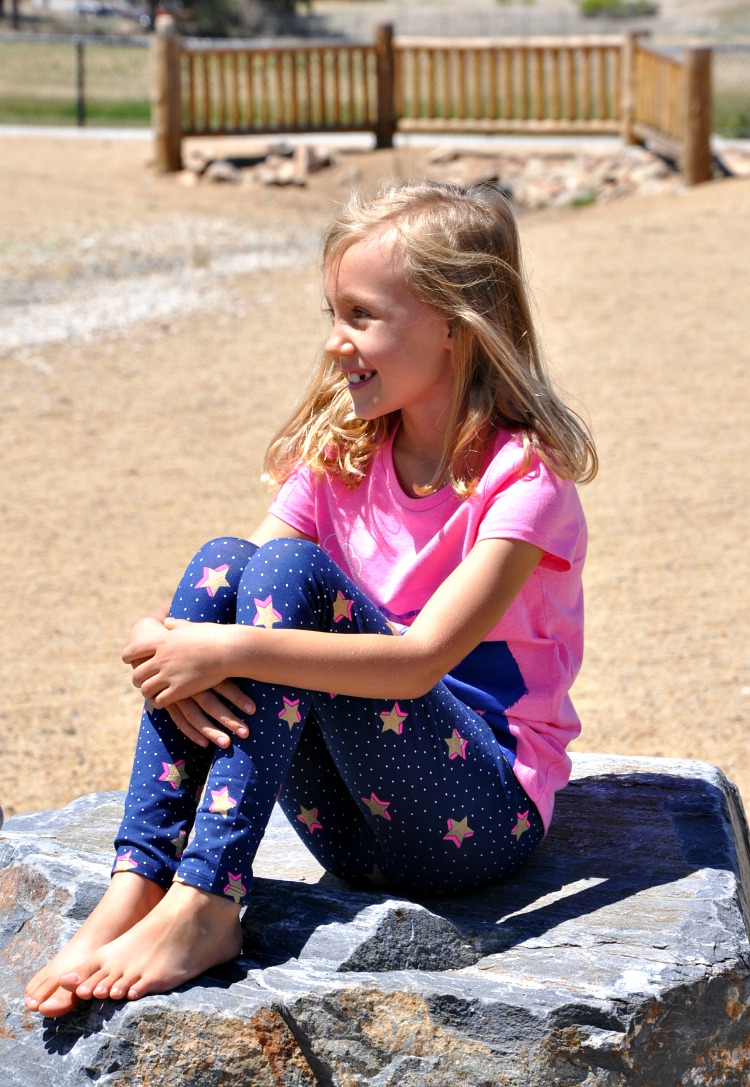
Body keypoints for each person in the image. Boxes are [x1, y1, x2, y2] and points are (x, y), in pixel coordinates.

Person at [25, 179, 597, 1018]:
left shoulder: (524, 483)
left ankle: (210, 903)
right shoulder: (343, 453)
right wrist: (169, 635)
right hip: (347, 824)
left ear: (453, 323)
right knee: (227, 565)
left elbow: (420, 663)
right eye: (331, 313)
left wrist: (226, 651)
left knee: (285, 587)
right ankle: (143, 877)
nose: (335, 343)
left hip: (478, 818)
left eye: (361, 316)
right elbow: (236, 587)